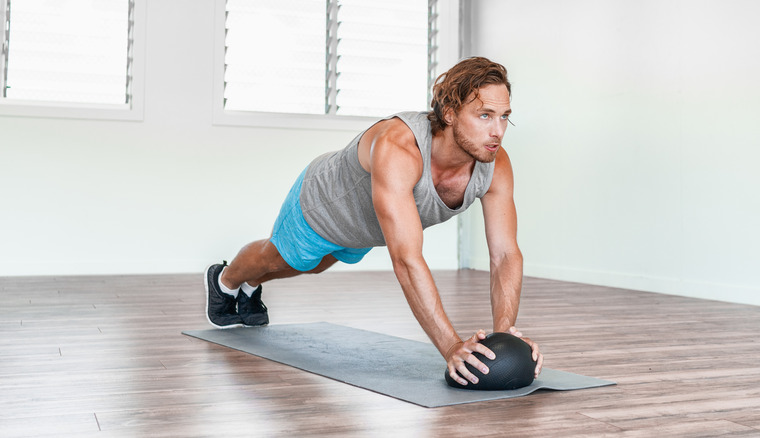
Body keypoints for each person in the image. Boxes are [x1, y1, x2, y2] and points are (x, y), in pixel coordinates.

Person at [204, 57, 543, 386]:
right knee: (278, 257)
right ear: (450, 113)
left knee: (315, 266)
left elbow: (505, 254)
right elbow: (408, 260)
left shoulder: (494, 165)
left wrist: (504, 336)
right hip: (325, 204)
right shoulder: (399, 146)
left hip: (368, 228)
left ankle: (250, 288)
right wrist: (451, 347)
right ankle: (226, 282)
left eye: (503, 117)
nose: (497, 131)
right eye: (485, 115)